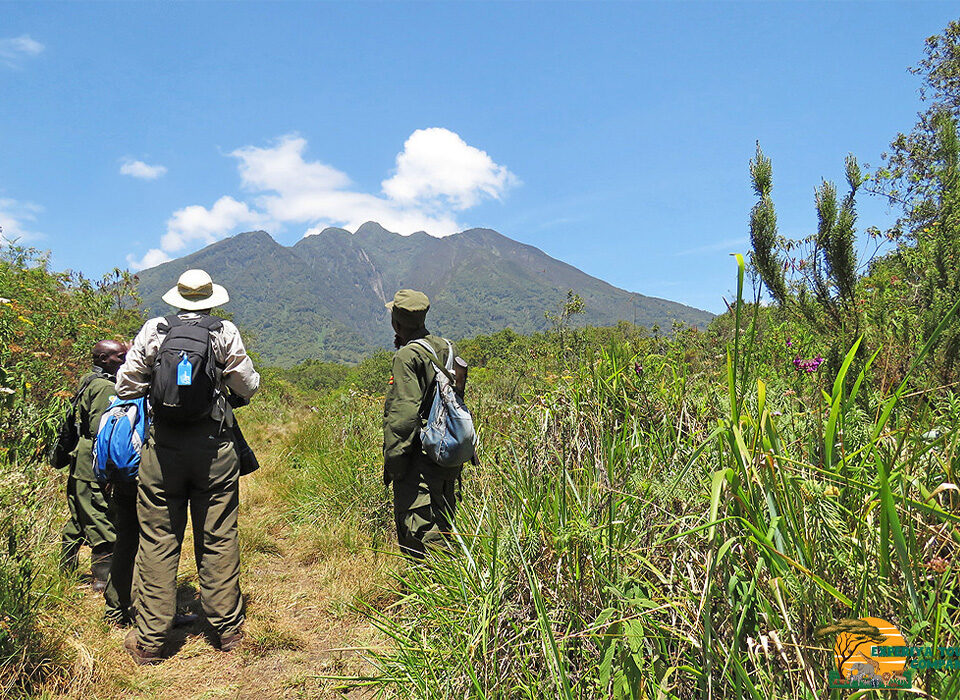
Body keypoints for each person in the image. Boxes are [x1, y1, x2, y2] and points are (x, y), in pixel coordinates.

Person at [116, 269, 260, 665]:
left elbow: (126, 385)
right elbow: (247, 385)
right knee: (218, 533)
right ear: (212, 299)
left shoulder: (155, 329)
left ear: (176, 299)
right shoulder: (223, 332)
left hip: (162, 450)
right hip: (214, 447)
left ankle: (149, 641)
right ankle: (226, 630)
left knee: (158, 538)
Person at [382, 289, 462, 559]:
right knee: (444, 519)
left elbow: (403, 419)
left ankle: (431, 594)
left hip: (418, 460)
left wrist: (394, 463)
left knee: (421, 531)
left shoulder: (407, 356)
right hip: (447, 455)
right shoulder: (446, 347)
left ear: (397, 323)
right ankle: (453, 586)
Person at [60, 340, 126, 591]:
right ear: (101, 359)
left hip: (82, 459)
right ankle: (103, 578)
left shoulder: (89, 380)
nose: (124, 360)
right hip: (93, 461)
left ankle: (65, 573)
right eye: (119, 357)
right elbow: (104, 430)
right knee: (101, 518)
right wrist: (108, 467)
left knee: (79, 517)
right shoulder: (104, 388)